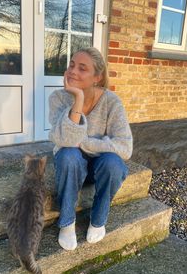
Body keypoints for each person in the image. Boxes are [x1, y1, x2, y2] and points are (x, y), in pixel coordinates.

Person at [48, 47, 133, 251]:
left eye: (82, 68)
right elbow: (66, 141)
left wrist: (85, 143)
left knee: (113, 163)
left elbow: (125, 147)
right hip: (70, 166)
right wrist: (78, 98)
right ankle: (67, 222)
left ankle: (98, 219)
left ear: (97, 77)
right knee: (68, 154)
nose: (73, 71)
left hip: (98, 169)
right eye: (71, 65)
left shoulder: (111, 102)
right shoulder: (58, 98)